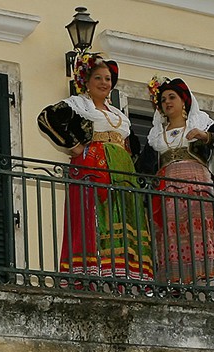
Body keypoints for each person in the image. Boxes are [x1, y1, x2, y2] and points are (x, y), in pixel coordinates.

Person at [36, 53, 154, 286]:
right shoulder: (78, 106)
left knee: (124, 218)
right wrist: (75, 146)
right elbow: (46, 118)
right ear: (86, 82)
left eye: (108, 79)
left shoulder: (118, 116)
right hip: (93, 165)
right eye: (98, 78)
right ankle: (94, 272)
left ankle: (125, 275)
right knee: (97, 218)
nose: (104, 83)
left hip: (122, 172)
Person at [143, 76, 214, 287]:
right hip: (168, 190)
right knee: (172, 234)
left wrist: (206, 136)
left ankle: (206, 280)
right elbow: (144, 168)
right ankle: (177, 281)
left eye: (172, 97)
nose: (167, 102)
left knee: (200, 232)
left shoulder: (200, 123)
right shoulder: (156, 135)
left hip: (197, 185)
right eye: (163, 99)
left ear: (184, 100)